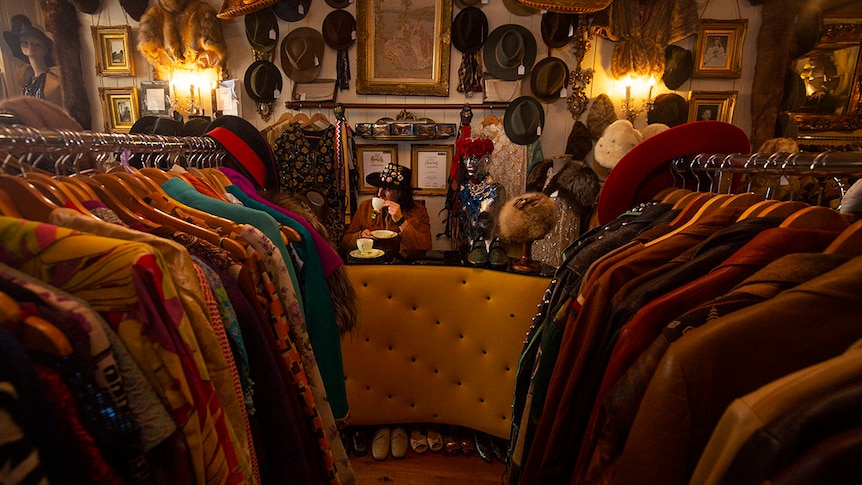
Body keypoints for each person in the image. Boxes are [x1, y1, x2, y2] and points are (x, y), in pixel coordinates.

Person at [341, 162, 432, 256]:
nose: (380, 194)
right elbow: (345, 241)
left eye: (387, 189)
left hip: (401, 264)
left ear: (400, 193)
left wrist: (401, 221)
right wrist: (360, 235)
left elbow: (426, 247)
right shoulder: (366, 207)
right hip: (372, 262)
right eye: (380, 187)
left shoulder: (418, 211)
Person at [2, 15, 61, 106]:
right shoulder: (30, 81)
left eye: (36, 44)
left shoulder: (54, 83)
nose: (30, 46)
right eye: (25, 42)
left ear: (45, 49)